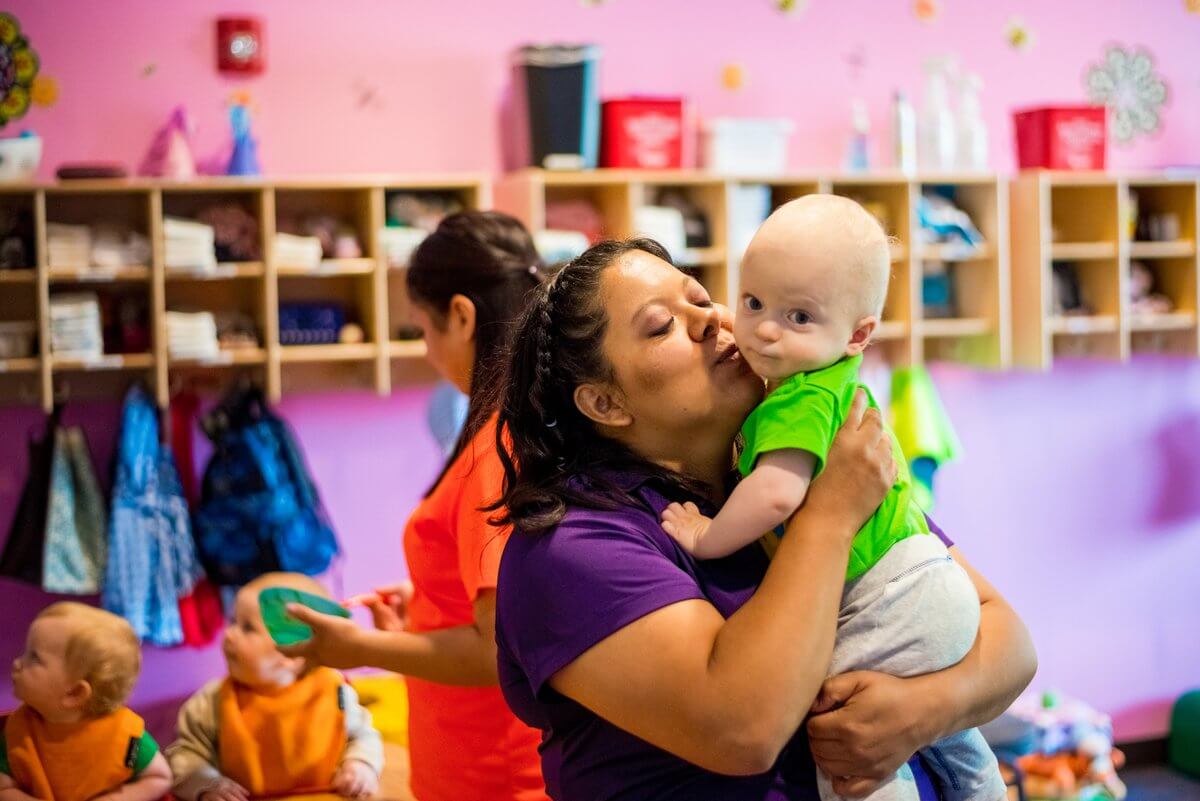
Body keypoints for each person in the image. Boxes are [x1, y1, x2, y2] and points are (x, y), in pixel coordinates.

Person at [490, 239, 1038, 800]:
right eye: (660, 327)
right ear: (605, 403)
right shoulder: (573, 546)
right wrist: (828, 517)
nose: (709, 320)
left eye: (701, 298)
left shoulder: (789, 458)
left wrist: (919, 711)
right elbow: (743, 729)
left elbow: (1009, 641)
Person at [657, 195, 1004, 801]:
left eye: (798, 318)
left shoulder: (800, 400)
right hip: (929, 580)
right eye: (754, 302)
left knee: (839, 726)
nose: (763, 328)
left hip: (887, 596)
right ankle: (983, 788)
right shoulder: (830, 381)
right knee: (947, 735)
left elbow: (774, 494)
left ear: (858, 334)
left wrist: (706, 536)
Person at [278, 211, 549, 801]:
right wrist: (428, 603)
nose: (426, 351)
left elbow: (498, 651)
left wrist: (356, 648)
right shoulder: (516, 432)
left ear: (461, 314)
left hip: (494, 774)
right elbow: (509, 598)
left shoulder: (494, 448)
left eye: (423, 329)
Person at [166, 572, 384, 801]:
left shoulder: (334, 691)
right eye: (233, 621)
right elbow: (185, 755)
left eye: (247, 628)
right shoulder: (213, 701)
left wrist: (360, 764)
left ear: (293, 653)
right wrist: (207, 785)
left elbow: (363, 737)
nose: (229, 634)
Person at [0, 603, 172, 801]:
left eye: (34, 658)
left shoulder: (125, 737)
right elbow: (3, 788)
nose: (17, 663)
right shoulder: (20, 729)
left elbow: (161, 777)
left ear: (74, 693)